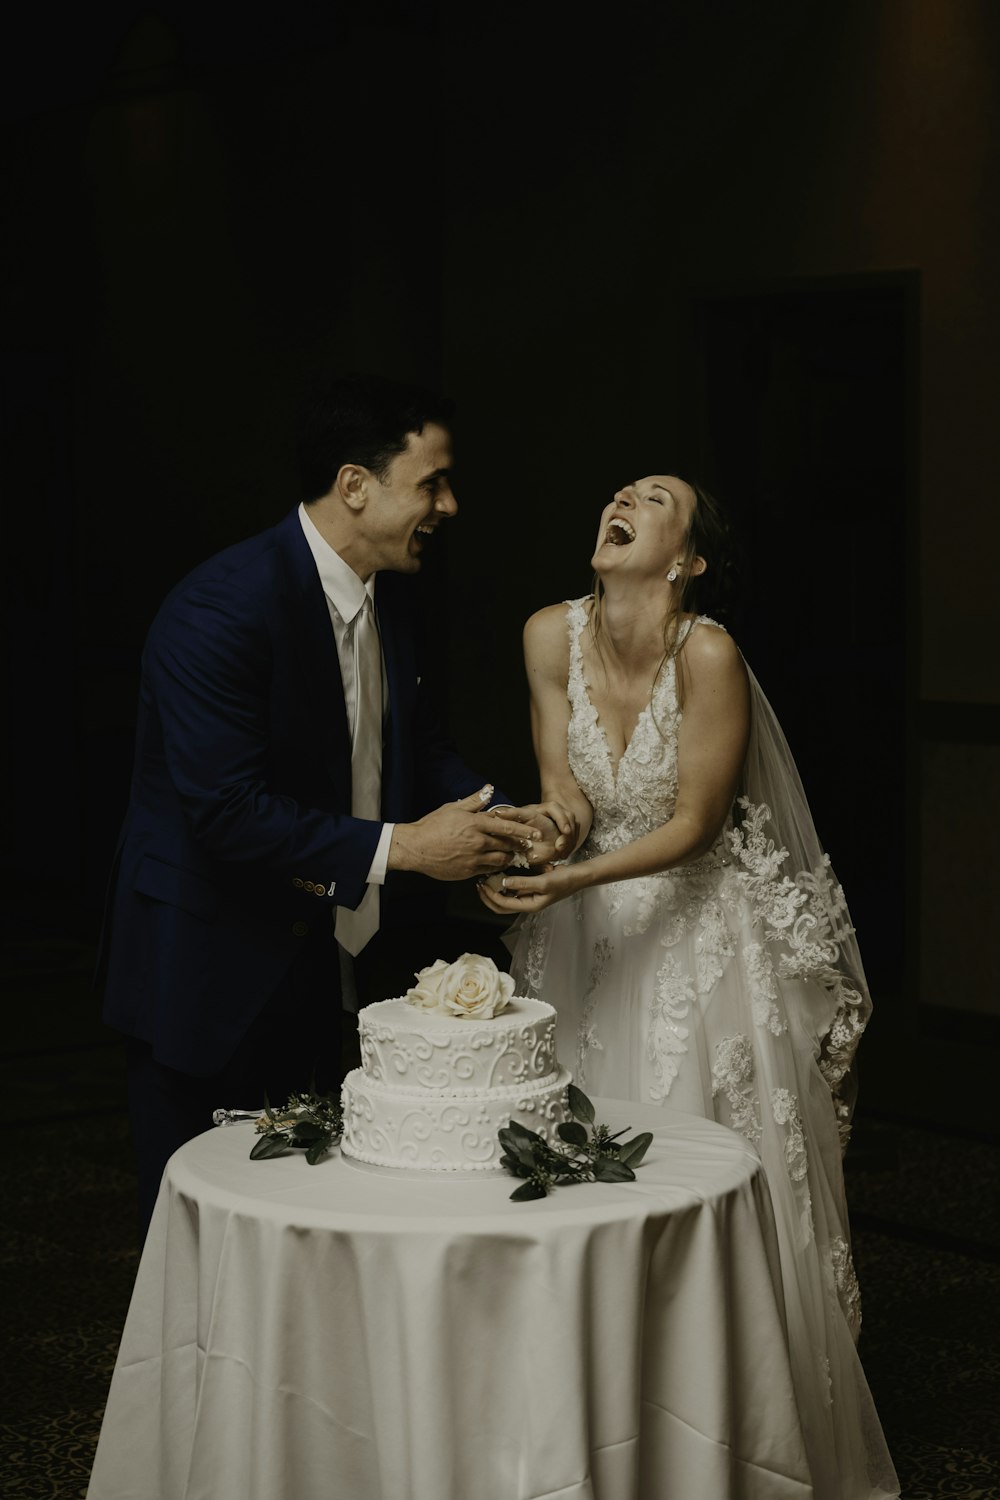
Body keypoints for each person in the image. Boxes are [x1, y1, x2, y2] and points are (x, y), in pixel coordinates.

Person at [479, 473, 900, 1500]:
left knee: (698, 1163)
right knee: (573, 1167)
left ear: (687, 558)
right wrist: (542, 843)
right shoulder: (546, 634)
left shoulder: (706, 653)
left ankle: (718, 1442)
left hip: (695, 938)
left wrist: (566, 879)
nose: (622, 499)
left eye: (655, 498)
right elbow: (568, 790)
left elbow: (695, 823)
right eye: (619, 490)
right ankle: (589, 1434)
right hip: (585, 944)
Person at [98, 371, 571, 1238]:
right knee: (202, 1237)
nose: (450, 504)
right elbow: (228, 811)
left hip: (329, 960)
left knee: (314, 1228)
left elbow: (416, 752)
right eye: (432, 482)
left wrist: (508, 819)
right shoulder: (221, 607)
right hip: (210, 964)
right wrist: (407, 851)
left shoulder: (392, 599)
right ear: (356, 484)